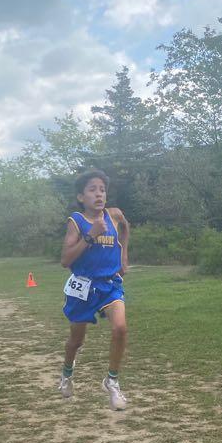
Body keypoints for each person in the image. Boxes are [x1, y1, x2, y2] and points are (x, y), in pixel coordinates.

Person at [59, 169, 130, 410]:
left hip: (109, 285)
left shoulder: (114, 215)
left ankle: (112, 382)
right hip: (83, 287)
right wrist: (90, 235)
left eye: (102, 190)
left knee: (120, 328)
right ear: (81, 197)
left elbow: (125, 228)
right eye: (92, 190)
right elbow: (65, 260)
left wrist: (123, 255)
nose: (99, 194)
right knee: (76, 341)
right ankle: (67, 374)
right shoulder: (76, 221)